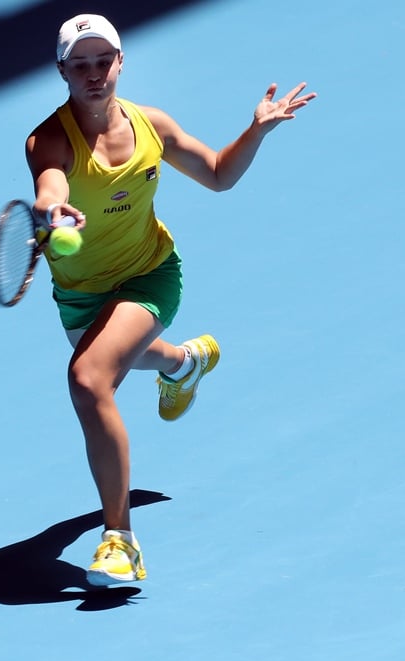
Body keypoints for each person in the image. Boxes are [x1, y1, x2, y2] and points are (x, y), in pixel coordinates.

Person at [25, 13, 315, 586]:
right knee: (127, 356)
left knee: (89, 381)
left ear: (121, 62)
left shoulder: (151, 124)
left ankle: (120, 540)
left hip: (149, 275)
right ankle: (185, 362)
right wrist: (51, 210)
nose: (93, 74)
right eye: (79, 65)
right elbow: (50, 185)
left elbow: (216, 174)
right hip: (81, 293)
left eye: (102, 60)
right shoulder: (49, 138)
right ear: (62, 71)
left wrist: (255, 129)